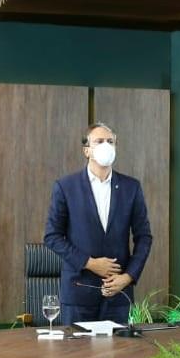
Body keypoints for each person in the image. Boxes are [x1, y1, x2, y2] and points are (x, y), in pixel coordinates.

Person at [44, 123, 153, 326]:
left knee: (118, 348)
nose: (106, 145)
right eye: (99, 141)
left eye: (110, 141)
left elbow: (144, 237)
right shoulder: (66, 187)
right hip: (79, 294)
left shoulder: (131, 187)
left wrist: (128, 277)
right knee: (78, 348)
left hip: (118, 293)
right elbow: (52, 236)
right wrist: (89, 263)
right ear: (87, 150)